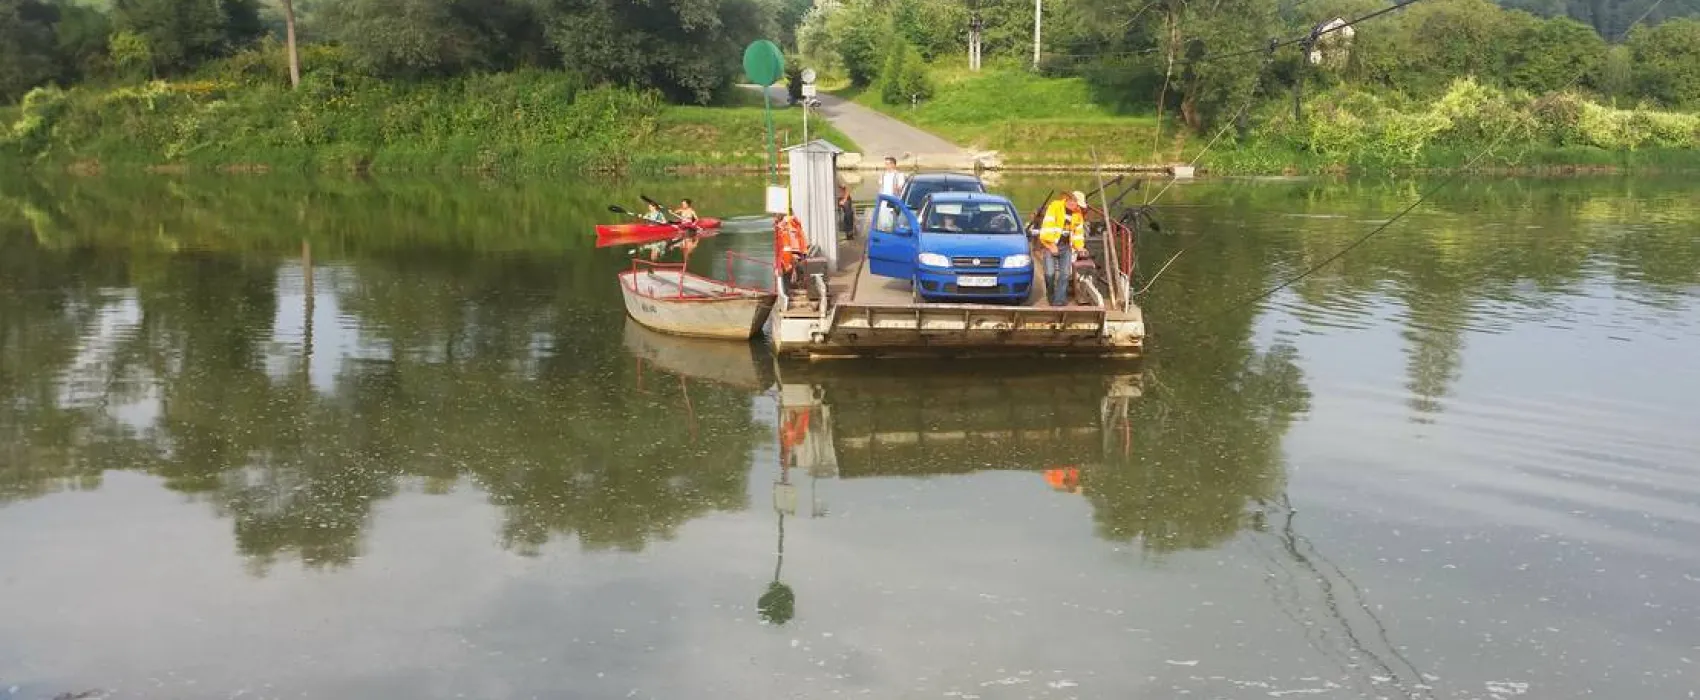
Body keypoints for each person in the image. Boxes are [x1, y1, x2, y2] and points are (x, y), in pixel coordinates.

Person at [1038, 190, 1089, 306]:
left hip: (1066, 247)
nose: (1078, 208)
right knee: (1049, 274)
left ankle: (1059, 301)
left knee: (1065, 274)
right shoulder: (1055, 207)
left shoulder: (1078, 214)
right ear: (1071, 201)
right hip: (1050, 245)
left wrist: (1080, 247)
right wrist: (1051, 245)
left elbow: (1078, 234)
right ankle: (1051, 295)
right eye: (1078, 205)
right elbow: (1047, 228)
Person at [774, 211, 808, 293]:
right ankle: (788, 289)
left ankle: (788, 289)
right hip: (791, 255)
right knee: (788, 273)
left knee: (788, 273)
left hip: (790, 256)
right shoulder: (790, 225)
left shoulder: (787, 227)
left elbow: (792, 244)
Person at [875, 157, 906, 229]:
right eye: (885, 164)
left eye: (888, 164)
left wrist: (897, 189)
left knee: (893, 220)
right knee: (883, 221)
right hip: (883, 201)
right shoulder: (883, 175)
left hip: (893, 200)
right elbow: (880, 187)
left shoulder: (899, 175)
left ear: (893, 165)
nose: (886, 166)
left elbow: (901, 188)